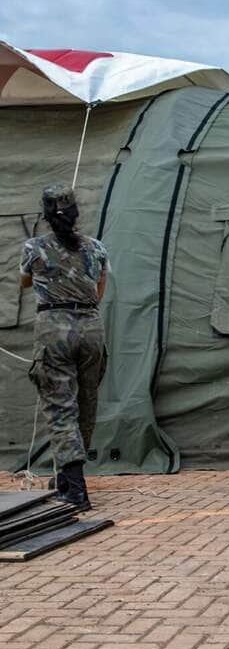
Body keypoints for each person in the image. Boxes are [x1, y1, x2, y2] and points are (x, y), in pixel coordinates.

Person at [19, 185, 109, 511]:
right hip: (91, 327)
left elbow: (25, 281)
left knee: (60, 405)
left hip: (54, 328)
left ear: (45, 215)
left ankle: (75, 487)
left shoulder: (34, 247)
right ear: (75, 213)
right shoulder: (96, 248)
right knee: (86, 402)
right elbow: (99, 290)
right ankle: (67, 477)